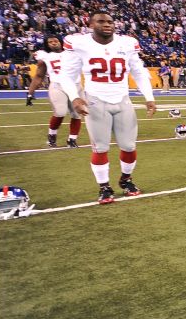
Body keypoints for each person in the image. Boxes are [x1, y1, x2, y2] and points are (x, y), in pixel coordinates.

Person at [56, 11, 157, 204]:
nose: (107, 24)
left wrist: (149, 97)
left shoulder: (126, 43)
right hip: (95, 100)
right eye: (101, 21)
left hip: (122, 99)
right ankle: (104, 187)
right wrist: (75, 97)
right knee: (100, 148)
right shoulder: (79, 43)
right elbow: (67, 75)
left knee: (129, 146)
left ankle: (126, 180)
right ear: (90, 24)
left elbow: (139, 72)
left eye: (110, 21)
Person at [27, 35, 83, 148]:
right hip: (58, 85)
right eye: (50, 42)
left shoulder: (73, 52)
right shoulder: (45, 56)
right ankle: (52, 136)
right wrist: (30, 92)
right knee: (60, 112)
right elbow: (39, 76)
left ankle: (72, 140)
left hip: (76, 85)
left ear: (61, 41)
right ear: (47, 45)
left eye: (55, 40)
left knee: (77, 114)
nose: (53, 43)